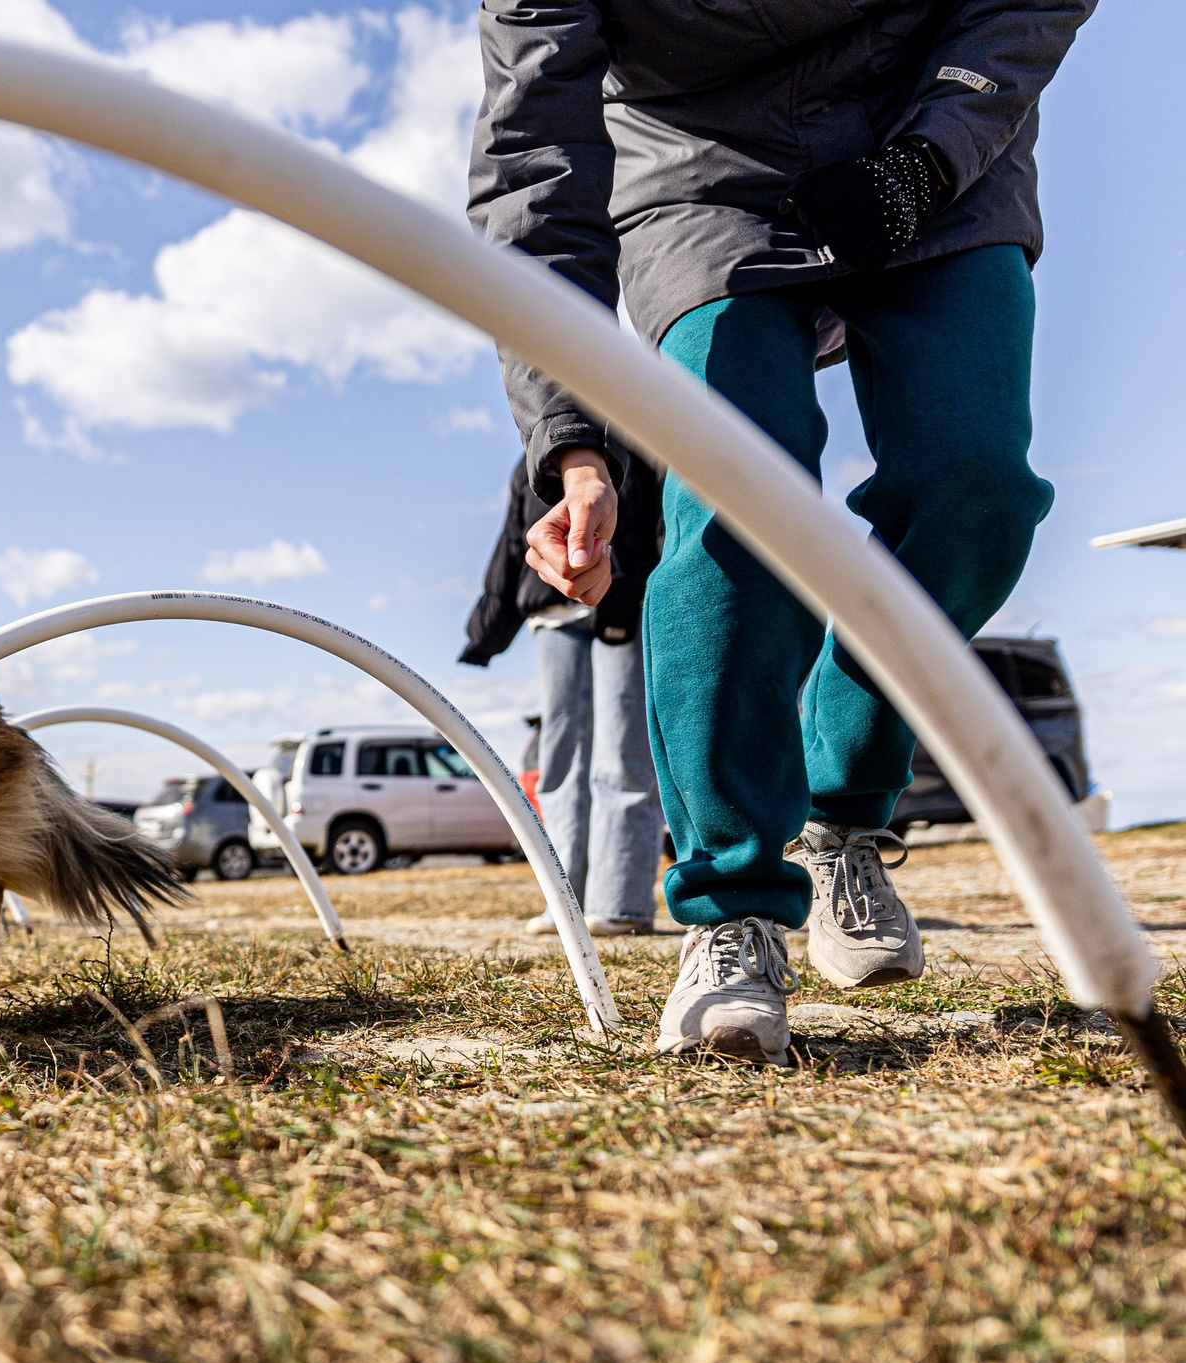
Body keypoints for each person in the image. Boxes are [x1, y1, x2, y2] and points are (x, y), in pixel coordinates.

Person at [470, 0, 1089, 1063]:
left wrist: (926, 163)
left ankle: (844, 815)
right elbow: (534, 164)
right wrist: (571, 444)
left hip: (927, 130)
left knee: (973, 491)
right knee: (737, 504)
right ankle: (732, 911)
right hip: (699, 169)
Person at [461, 455, 665, 936]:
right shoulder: (534, 458)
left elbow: (663, 524)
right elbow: (515, 542)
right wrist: (486, 631)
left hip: (625, 603)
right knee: (560, 757)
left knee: (623, 747)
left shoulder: (644, 442)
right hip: (551, 615)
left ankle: (621, 902)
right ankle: (564, 901)